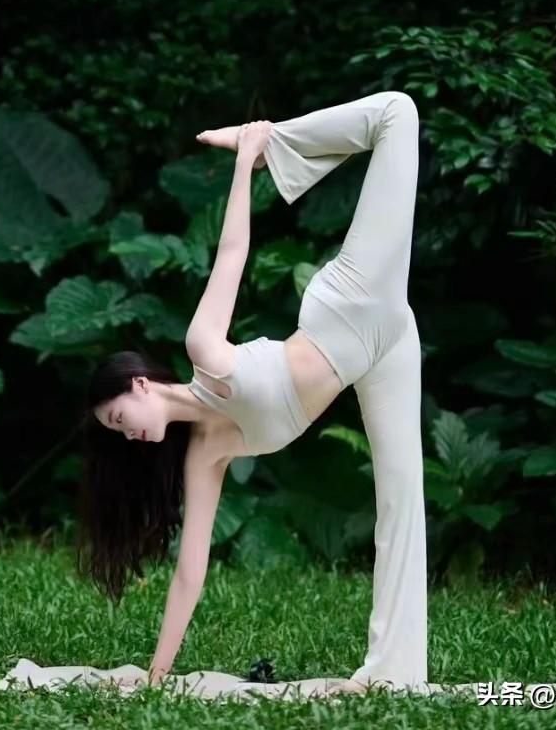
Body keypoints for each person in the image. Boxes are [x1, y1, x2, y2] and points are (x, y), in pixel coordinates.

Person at [75, 91, 427, 695]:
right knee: (402, 502)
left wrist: (246, 162)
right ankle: (394, 674)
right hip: (384, 349)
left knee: (397, 112)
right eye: (117, 431)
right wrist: (157, 676)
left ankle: (269, 140)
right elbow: (190, 573)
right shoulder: (204, 454)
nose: (126, 432)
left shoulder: (205, 354)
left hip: (352, 304)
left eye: (118, 417)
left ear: (140, 384)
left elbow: (233, 252)